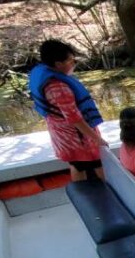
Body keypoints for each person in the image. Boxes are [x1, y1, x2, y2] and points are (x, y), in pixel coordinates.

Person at [28, 39, 107, 181]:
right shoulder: (57, 87)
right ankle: (106, 189)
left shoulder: (44, 73)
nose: (74, 63)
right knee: (95, 163)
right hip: (74, 136)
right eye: (71, 61)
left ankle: (86, 190)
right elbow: (74, 118)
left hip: (59, 130)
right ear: (58, 64)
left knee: (77, 164)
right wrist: (97, 139)